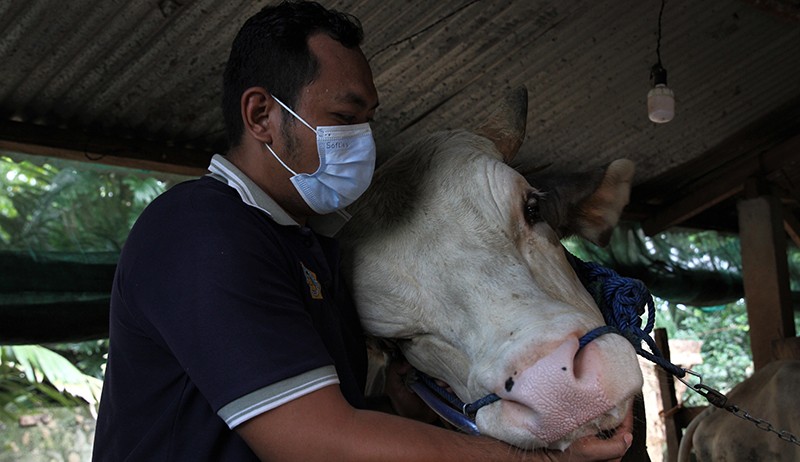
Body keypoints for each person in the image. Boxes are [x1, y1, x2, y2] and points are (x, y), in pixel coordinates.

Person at [92, 1, 634, 460]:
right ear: (261, 116)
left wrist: (404, 405)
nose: (365, 141)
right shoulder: (201, 229)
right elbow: (313, 439)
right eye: (345, 118)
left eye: (368, 119)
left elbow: (332, 412)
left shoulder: (308, 247)